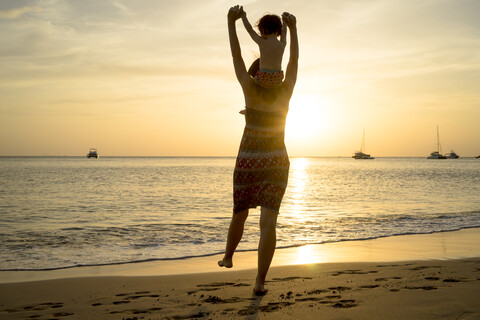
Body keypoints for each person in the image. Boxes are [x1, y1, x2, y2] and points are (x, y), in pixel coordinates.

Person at [218, 5, 298, 296]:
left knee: (240, 213)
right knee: (268, 223)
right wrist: (294, 30)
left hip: (249, 161)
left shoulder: (249, 90)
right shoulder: (285, 91)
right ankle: (260, 282)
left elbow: (236, 56)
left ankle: (228, 256)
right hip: (277, 160)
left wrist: (231, 23)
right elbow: (294, 61)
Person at [241, 9, 287, 89]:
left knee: (250, 80)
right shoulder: (282, 44)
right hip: (277, 79)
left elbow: (250, 30)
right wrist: (285, 21)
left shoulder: (262, 42)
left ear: (264, 29)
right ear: (278, 30)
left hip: (262, 78)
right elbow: (284, 32)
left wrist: (243, 17)